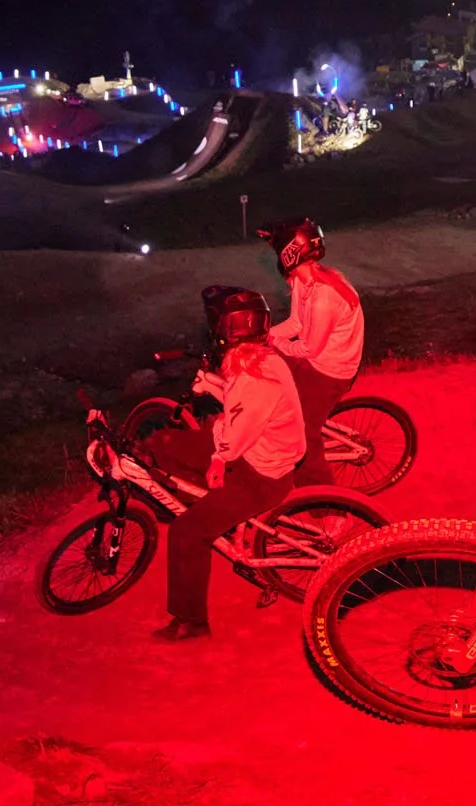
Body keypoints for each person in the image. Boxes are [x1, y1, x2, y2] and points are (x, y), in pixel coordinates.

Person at [146, 286, 307, 641]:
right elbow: (242, 406)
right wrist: (215, 385)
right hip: (259, 454)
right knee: (165, 445)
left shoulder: (253, 376)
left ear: (226, 328)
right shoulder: (262, 359)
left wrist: (218, 458)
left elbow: (233, 440)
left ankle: (192, 621)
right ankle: (196, 501)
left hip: (261, 476)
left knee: (187, 532)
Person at [258, 217, 364, 486]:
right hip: (317, 361)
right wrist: (264, 336)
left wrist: (274, 343)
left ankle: (327, 506)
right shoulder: (303, 280)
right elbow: (295, 324)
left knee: (304, 432)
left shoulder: (323, 296)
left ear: (290, 253)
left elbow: (308, 348)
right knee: (268, 372)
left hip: (330, 372)